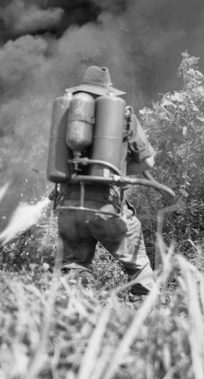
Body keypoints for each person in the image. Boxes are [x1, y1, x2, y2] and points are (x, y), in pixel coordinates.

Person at [54, 66, 156, 297]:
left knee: (72, 268)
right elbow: (147, 162)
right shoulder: (123, 115)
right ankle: (147, 316)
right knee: (138, 266)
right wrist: (119, 172)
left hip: (69, 206)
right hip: (106, 207)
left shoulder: (66, 113)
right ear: (108, 90)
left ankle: (72, 314)